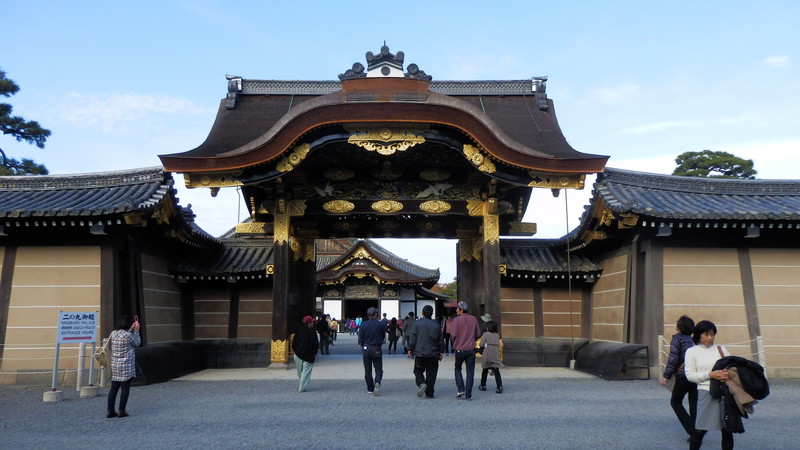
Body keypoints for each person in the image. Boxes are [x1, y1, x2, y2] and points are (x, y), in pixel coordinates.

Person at [684, 320, 732, 450]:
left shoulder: (721, 349)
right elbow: (690, 376)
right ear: (698, 334)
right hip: (706, 391)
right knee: (700, 429)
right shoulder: (692, 351)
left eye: (712, 334)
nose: (710, 338)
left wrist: (727, 374)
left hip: (725, 392)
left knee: (727, 430)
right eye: (706, 334)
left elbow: (732, 368)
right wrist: (710, 375)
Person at [659, 315, 698, 439]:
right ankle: (695, 429)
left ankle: (692, 430)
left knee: (675, 401)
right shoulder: (694, 340)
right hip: (695, 375)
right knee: (693, 403)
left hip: (683, 375)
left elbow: (674, 359)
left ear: (680, 326)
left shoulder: (677, 339)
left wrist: (666, 376)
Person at [106, 315, 141, 418]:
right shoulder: (129, 335)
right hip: (126, 365)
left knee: (114, 388)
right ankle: (121, 411)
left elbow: (124, 335)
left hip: (115, 365)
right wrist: (136, 331)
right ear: (130, 325)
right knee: (125, 388)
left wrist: (131, 329)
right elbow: (137, 343)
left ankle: (110, 410)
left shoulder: (114, 334)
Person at [407, 305, 444, 398]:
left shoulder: (417, 323)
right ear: (431, 314)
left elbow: (412, 337)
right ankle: (430, 392)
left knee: (418, 370)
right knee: (431, 373)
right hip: (433, 353)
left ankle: (421, 383)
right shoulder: (436, 325)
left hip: (420, 352)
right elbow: (440, 340)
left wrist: (410, 349)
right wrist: (441, 351)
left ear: (422, 313)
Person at [450, 301, 481, 401]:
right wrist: (472, 339)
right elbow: (478, 334)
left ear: (461, 309)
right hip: (471, 349)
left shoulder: (456, 320)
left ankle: (460, 389)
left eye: (457, 308)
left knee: (458, 369)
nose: (456, 310)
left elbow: (453, 335)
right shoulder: (474, 319)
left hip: (459, 349)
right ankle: (469, 395)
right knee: (470, 372)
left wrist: (455, 342)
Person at [358, 307, 386, 395]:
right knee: (378, 368)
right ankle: (377, 382)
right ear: (376, 314)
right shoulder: (381, 324)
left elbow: (360, 339)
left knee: (367, 369)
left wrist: (363, 345)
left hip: (366, 348)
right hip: (376, 347)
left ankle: (370, 388)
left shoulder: (363, 324)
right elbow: (383, 336)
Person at [292, 315, 319, 392]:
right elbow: (316, 345)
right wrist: (314, 353)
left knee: (300, 372)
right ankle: (302, 387)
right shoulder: (312, 332)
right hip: (309, 355)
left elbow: (293, 343)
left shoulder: (298, 331)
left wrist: (296, 351)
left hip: (298, 354)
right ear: (309, 323)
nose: (313, 323)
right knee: (306, 372)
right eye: (312, 322)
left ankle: (301, 384)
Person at [478, 320, 505, 393]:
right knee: (496, 371)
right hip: (495, 355)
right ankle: (499, 386)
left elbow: (481, 344)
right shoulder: (497, 335)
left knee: (485, 370)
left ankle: (483, 385)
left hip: (487, 354)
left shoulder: (485, 334)